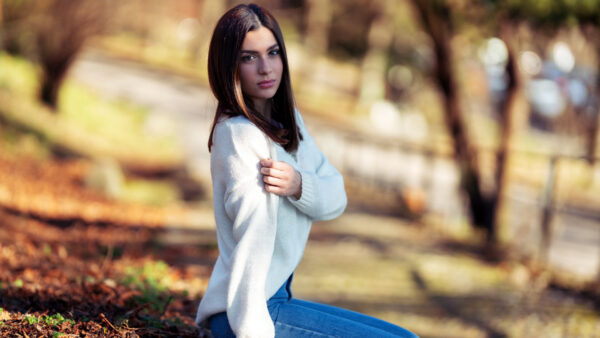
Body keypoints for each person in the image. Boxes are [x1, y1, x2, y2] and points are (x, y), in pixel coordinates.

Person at [195, 3, 418, 338]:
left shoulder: (287, 123)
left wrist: (299, 185)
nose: (266, 67)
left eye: (272, 52)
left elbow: (336, 198)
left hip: (277, 298)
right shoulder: (238, 136)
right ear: (229, 67)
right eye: (248, 57)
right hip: (248, 312)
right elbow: (252, 241)